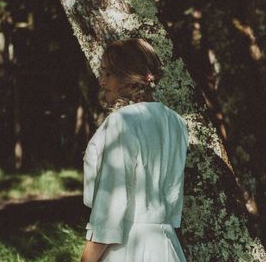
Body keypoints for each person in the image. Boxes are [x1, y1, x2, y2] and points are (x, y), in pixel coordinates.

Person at [80, 38, 189, 262]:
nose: (102, 81)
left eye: (108, 73)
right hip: (166, 247)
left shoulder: (122, 121)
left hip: (127, 248)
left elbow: (110, 209)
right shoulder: (176, 122)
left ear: (128, 77)